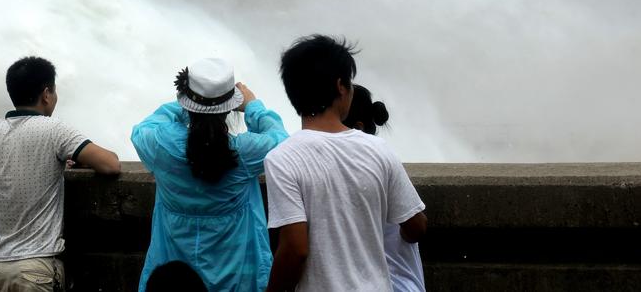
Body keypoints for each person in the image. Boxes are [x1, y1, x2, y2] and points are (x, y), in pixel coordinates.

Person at [264, 35, 427, 292]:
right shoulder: (377, 149)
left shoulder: (282, 159)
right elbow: (416, 226)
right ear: (341, 87)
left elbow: (295, 248)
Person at [131, 57, 289, 292]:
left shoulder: (162, 147)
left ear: (187, 102)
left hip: (175, 279)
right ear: (230, 107)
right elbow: (281, 142)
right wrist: (253, 106)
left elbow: (142, 129)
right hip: (238, 278)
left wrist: (187, 104)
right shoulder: (243, 153)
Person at [0, 56, 121, 292]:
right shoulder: (53, 129)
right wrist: (79, 159)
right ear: (46, 93)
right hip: (38, 268)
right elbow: (110, 164)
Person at [344, 85, 426, 292]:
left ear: (358, 127)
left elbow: (417, 226)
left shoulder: (378, 158)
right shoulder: (381, 158)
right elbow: (416, 226)